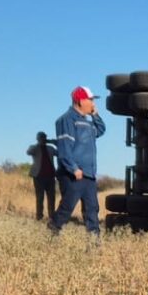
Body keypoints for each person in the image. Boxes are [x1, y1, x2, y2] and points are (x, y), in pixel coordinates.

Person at [50, 85, 106, 237]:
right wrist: (73, 168)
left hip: (88, 174)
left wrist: (95, 116)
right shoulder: (66, 120)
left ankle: (94, 243)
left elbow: (100, 130)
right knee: (67, 208)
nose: (93, 104)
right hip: (74, 174)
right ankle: (51, 234)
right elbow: (64, 148)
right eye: (91, 100)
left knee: (92, 209)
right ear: (81, 101)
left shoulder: (87, 123)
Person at [25, 131, 58, 220]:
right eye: (41, 137)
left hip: (50, 176)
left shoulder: (50, 148)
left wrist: (54, 142)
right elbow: (28, 152)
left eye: (44, 137)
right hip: (38, 176)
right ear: (38, 138)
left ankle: (52, 216)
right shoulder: (34, 148)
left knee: (51, 197)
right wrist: (38, 144)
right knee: (40, 197)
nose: (43, 139)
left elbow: (59, 153)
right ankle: (39, 216)